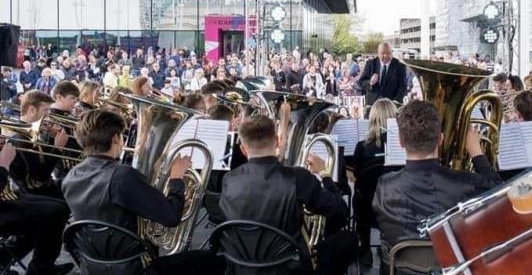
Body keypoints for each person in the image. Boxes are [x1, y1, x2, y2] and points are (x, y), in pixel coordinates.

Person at [61, 110, 225, 274]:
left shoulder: (71, 176)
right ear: (116, 138)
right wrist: (176, 178)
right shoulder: (122, 176)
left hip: (93, 265)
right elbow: (171, 217)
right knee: (214, 260)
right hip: (136, 267)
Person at [220, 114, 356, 274]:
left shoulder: (229, 179)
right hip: (288, 267)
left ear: (243, 149)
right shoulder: (298, 177)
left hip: (241, 265)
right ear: (277, 141)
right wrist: (325, 175)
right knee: (349, 239)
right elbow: (340, 213)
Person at [372, 100, 500, 259]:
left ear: (400, 141)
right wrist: (477, 153)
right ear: (441, 139)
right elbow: (500, 197)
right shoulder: (468, 183)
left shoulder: (385, 186)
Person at [0, 142, 73, 275]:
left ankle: (12, 258)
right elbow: (37, 178)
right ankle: (40, 269)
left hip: (8, 198)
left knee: (60, 207)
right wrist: (3, 166)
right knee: (54, 213)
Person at [350, 99, 398, 266]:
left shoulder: (361, 147)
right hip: (395, 206)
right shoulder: (402, 147)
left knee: (359, 194)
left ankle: (364, 249)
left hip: (368, 209)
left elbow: (356, 174)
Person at [7, 90, 68, 198]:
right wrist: (58, 148)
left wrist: (53, 139)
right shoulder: (21, 138)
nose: (48, 115)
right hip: (34, 191)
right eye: (46, 110)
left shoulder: (35, 131)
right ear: (32, 110)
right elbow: (41, 176)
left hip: (45, 185)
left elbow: (43, 160)